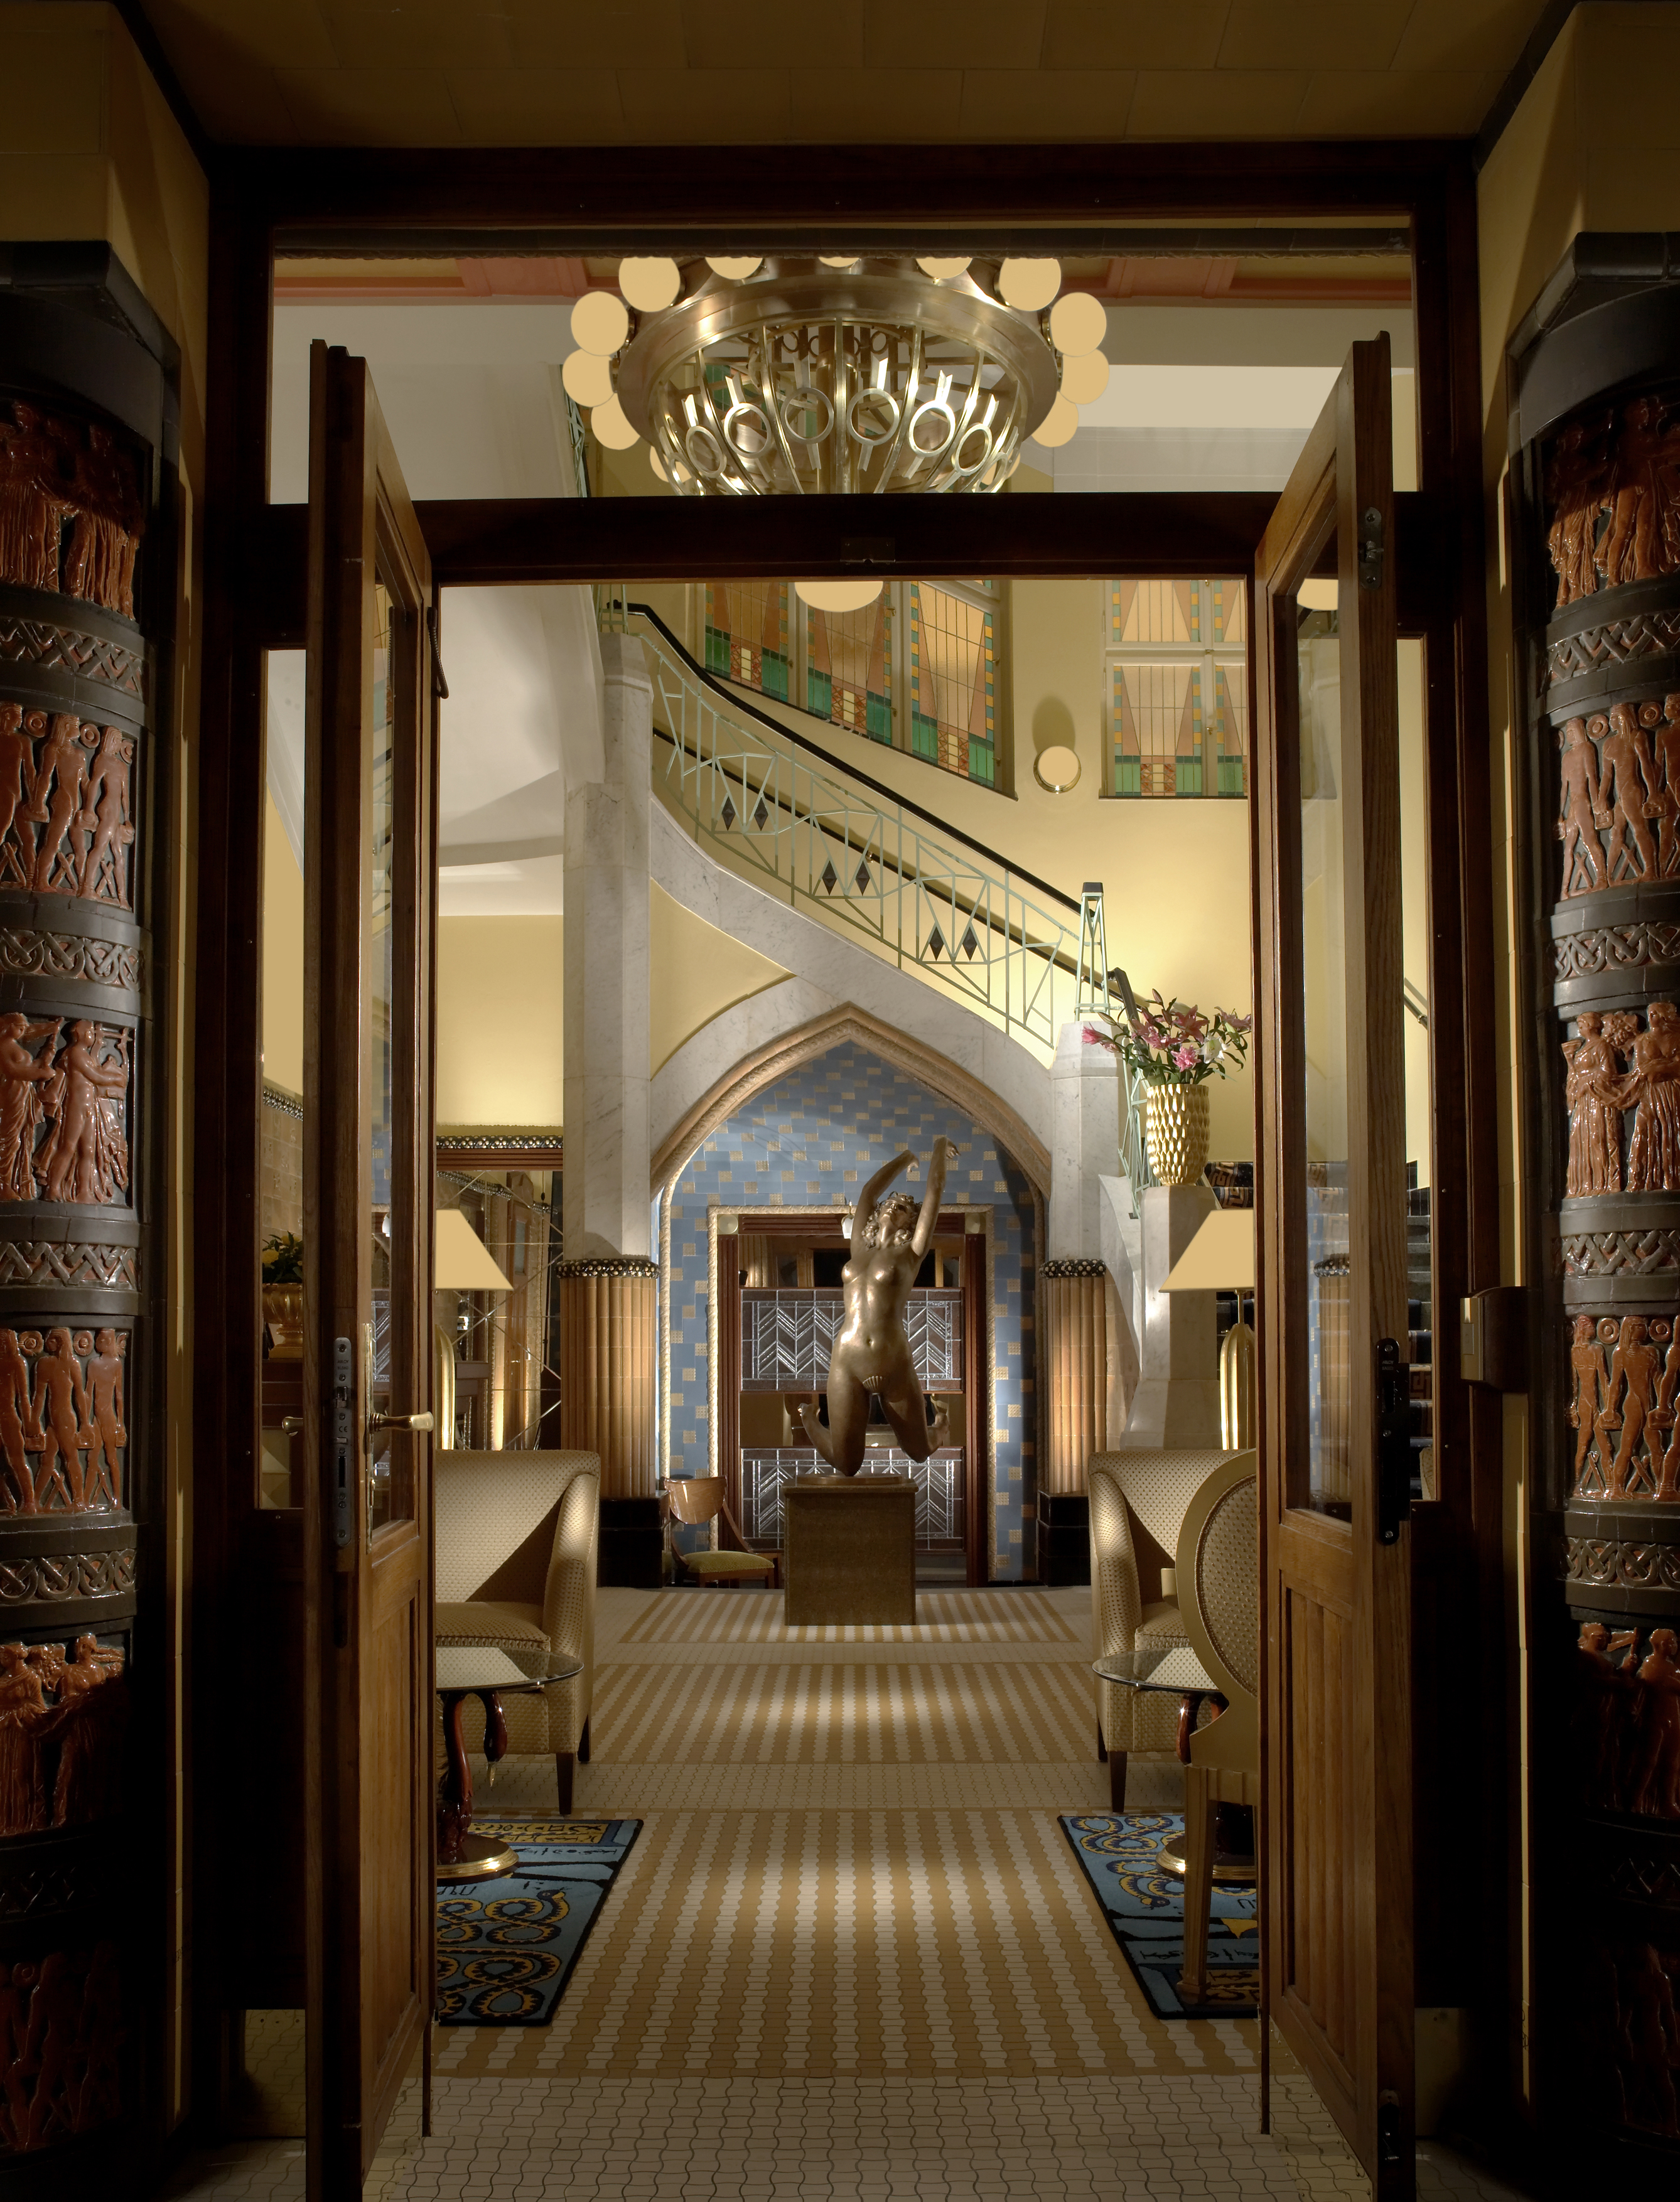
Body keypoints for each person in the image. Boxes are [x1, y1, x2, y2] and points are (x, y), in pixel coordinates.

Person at [791, 1139, 952, 1476]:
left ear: (911, 1221)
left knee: (919, 1452)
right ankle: (810, 1421)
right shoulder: (858, 1251)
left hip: (892, 1360)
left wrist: (937, 1148)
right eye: (891, 1202)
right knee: (848, 1465)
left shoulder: (912, 1253)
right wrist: (906, 1156)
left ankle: (940, 1429)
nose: (894, 1206)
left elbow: (934, 1191)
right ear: (878, 1214)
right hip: (847, 1358)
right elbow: (867, 1192)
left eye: (904, 1208)